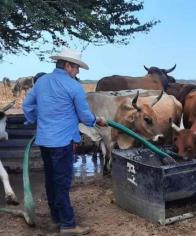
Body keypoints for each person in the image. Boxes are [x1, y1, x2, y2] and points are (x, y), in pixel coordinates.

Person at [23, 47, 107, 235]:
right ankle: (68, 225)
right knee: (62, 182)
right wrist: (97, 120)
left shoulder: (41, 81)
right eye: (77, 68)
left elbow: (27, 106)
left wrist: (36, 120)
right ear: (68, 66)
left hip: (44, 140)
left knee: (51, 180)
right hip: (62, 143)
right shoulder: (74, 86)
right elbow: (85, 117)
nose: (77, 72)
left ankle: (56, 218)